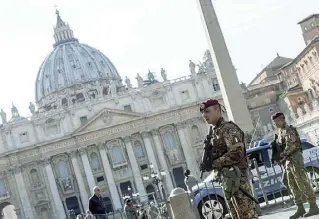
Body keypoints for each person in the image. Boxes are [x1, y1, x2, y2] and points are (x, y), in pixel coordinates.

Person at [200, 98, 259, 219]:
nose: (204, 115)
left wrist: (214, 163)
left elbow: (236, 153)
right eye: (203, 113)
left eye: (207, 111)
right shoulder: (216, 131)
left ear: (217, 110)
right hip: (228, 180)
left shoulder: (227, 128)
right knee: (237, 215)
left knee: (247, 215)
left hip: (238, 180)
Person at [272, 112, 319, 219]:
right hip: (288, 161)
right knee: (292, 183)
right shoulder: (280, 132)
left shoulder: (289, 130)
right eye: (274, 122)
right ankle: (300, 207)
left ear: (281, 119)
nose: (275, 124)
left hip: (295, 158)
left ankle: (313, 206)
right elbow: (280, 145)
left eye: (276, 122)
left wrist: (281, 156)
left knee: (302, 182)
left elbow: (291, 146)